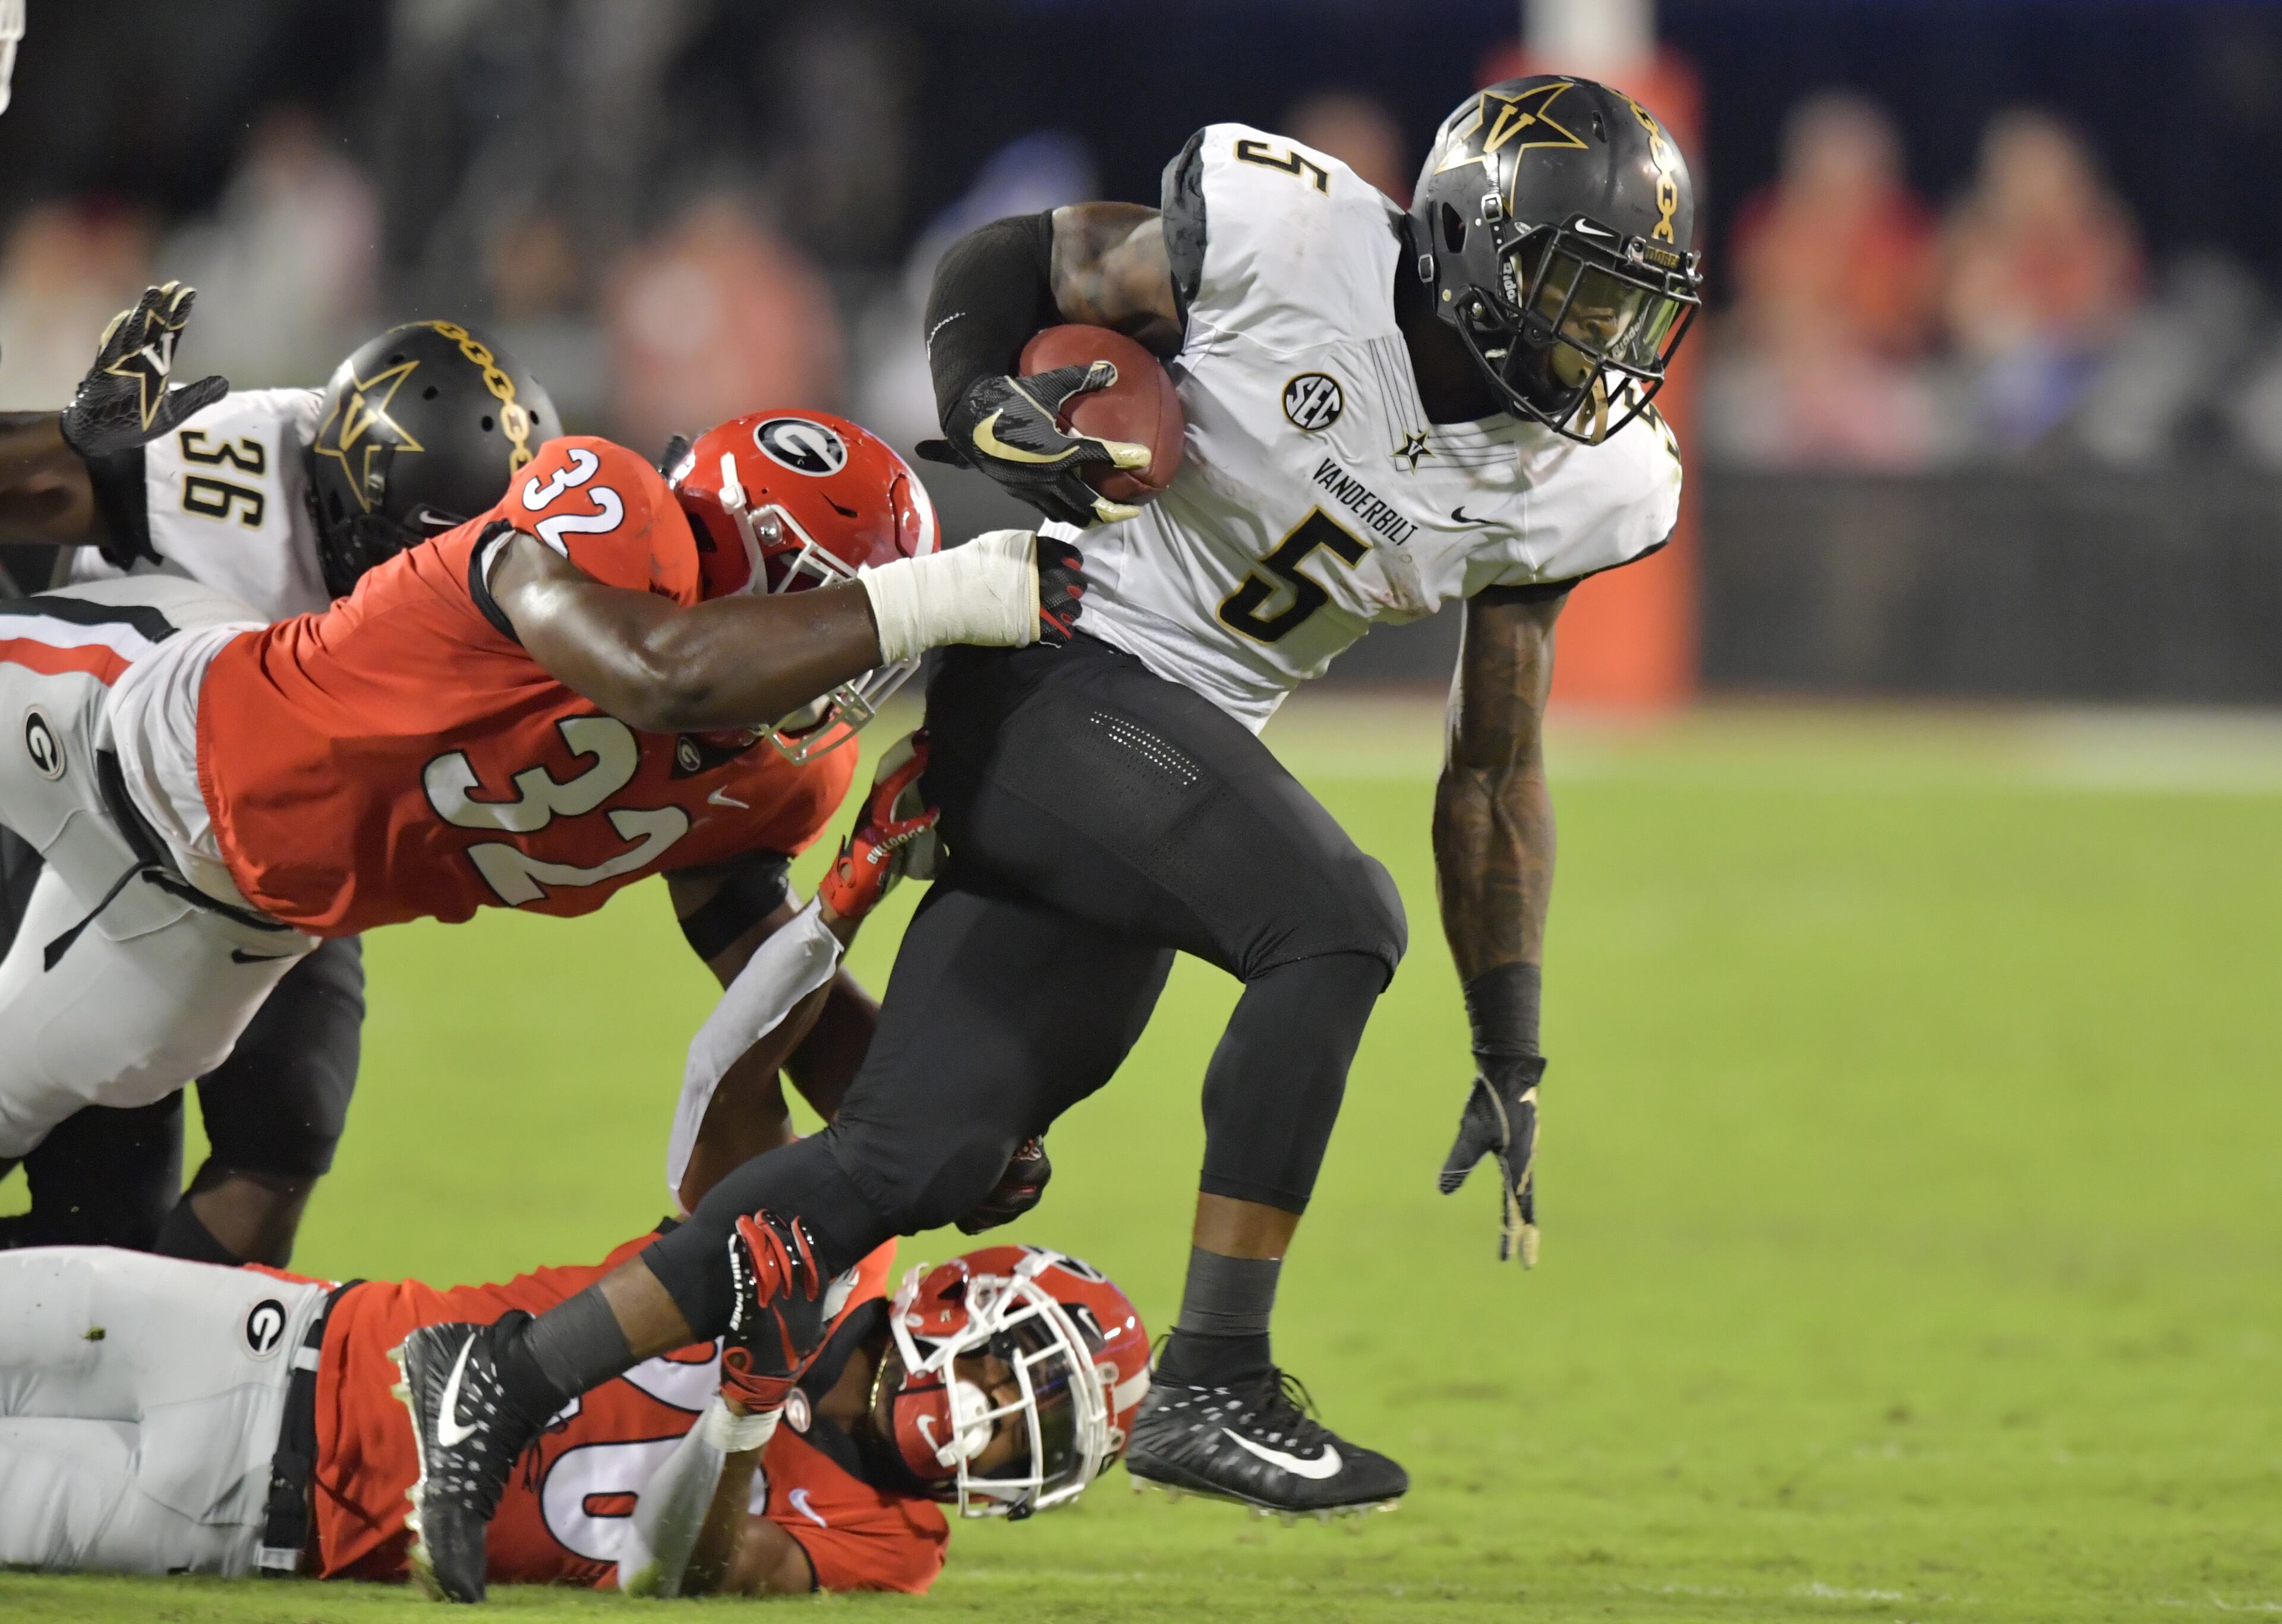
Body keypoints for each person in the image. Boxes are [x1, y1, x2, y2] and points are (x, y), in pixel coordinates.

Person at [393, 74, 1703, 1589]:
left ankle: (496, 1370)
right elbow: (1009, 264)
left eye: (1627, 309)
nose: (1598, 345)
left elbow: (1492, 771)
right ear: (1471, 247)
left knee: (911, 1152)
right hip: (1055, 654)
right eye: (1573, 296)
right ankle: (1217, 1372)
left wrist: (1513, 1036)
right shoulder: (1289, 237)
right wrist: (980, 411)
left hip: (1153, 764)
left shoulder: (1581, 479)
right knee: (1335, 921)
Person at [0, 764, 1134, 1594]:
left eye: (1032, 1438)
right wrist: (837, 906)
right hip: (271, 1328)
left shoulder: (891, 1543)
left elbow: (676, 1568)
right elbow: (728, 1081)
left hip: (253, 1512)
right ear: (965, 1309)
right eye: (1019, 1387)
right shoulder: (840, 1238)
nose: (1002, 1433)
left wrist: (748, 1401)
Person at [0, 384, 1083, 1206]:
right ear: (732, 550)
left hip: (229, 925)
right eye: (826, 608)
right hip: (143, 721)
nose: (840, 666)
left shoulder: (774, 772)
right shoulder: (618, 515)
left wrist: (943, 1120)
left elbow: (771, 991)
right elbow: (659, 670)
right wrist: (935, 596)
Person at [0, 288, 563, 1265]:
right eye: (410, 551)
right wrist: (68, 439)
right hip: (81, 805)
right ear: (341, 488)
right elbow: (33, 487)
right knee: (97, 1195)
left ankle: (149, 1378)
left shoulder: (514, 528)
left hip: (269, 836)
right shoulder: (232, 462)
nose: (425, 591)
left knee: (288, 1122)